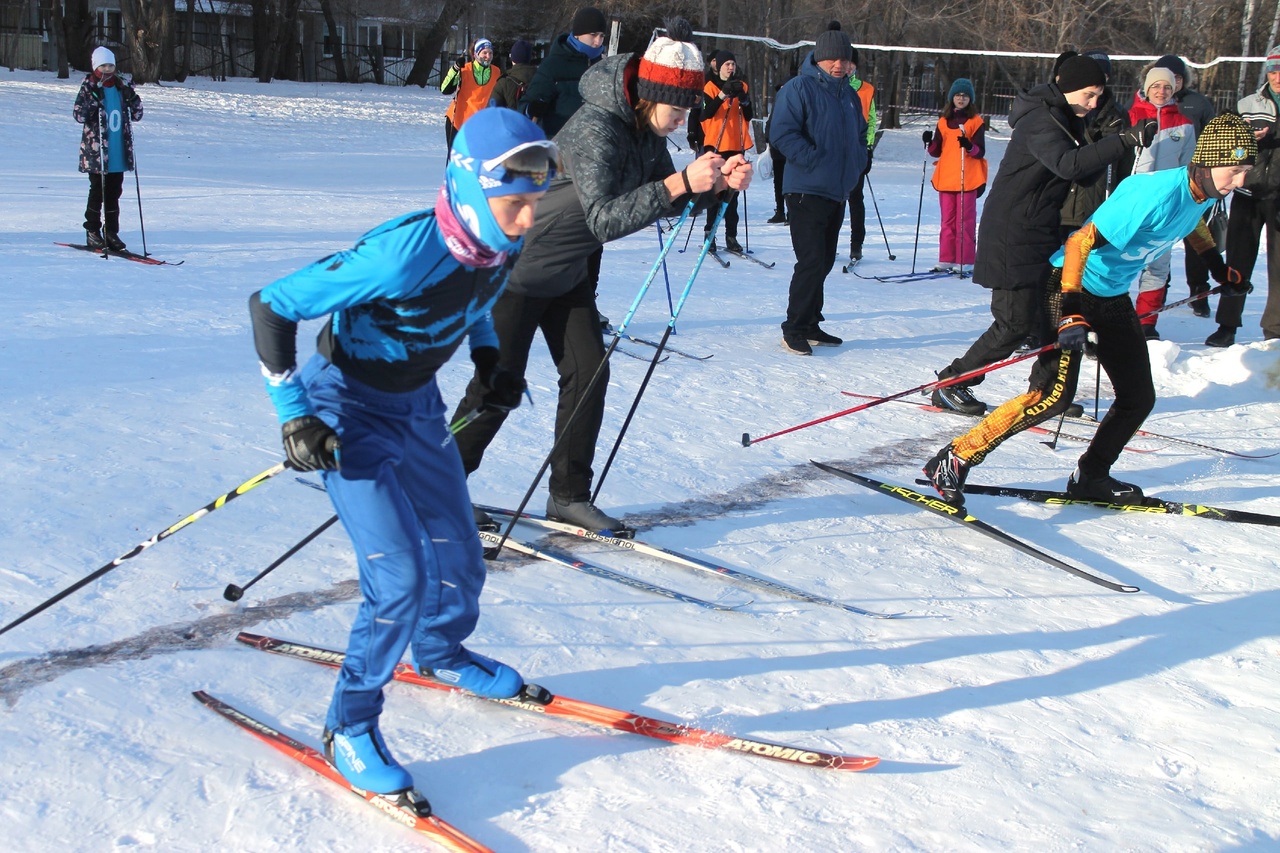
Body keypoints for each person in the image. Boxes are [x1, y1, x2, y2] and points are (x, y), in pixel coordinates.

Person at [248, 109, 556, 801]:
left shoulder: (492, 239)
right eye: (516, 204)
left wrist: (488, 358)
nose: (528, 220)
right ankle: (349, 725)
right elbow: (271, 306)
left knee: (462, 552)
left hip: (417, 405)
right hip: (347, 409)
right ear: (474, 191)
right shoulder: (402, 252)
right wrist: (295, 414)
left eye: (534, 203)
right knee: (399, 580)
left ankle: (442, 653)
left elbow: (476, 296)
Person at [452, 17, 751, 533]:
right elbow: (606, 218)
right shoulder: (596, 129)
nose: (682, 121)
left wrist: (717, 183)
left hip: (566, 271)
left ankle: (568, 495)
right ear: (648, 96)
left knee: (589, 373)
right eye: (676, 108)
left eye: (686, 110)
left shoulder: (644, 133)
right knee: (497, 388)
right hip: (517, 268)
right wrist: (681, 183)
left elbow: (659, 195)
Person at [924, 113, 1255, 507]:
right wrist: (1070, 310)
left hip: (1111, 295)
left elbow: (1192, 225)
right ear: (1205, 161)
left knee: (1138, 397)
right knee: (1052, 395)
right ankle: (955, 457)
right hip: (1068, 285)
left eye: (1245, 172)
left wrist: (1218, 268)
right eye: (1233, 171)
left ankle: (1091, 476)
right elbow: (1081, 242)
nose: (1240, 182)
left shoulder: (1200, 195)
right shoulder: (1151, 193)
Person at [927, 55, 1153, 415]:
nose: (1094, 103)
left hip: (1040, 228)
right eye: (1090, 95)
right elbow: (1069, 164)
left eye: (1099, 96)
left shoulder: (1066, 116)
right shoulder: (1041, 118)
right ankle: (953, 383)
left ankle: (1048, 391)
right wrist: (1123, 140)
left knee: (1054, 314)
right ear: (1069, 89)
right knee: (1014, 323)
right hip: (1012, 231)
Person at [769, 26, 867, 356]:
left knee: (824, 261)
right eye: (832, 59)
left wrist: (858, 162)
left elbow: (860, 134)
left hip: (836, 190)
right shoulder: (800, 88)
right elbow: (781, 133)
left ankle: (810, 323)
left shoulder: (850, 96)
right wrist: (812, 158)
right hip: (805, 189)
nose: (839, 65)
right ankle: (794, 326)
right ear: (819, 59)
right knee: (811, 260)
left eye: (844, 59)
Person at [1208, 45, 1280, 347]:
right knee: (1237, 261)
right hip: (1247, 191)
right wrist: (1244, 136)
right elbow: (1232, 145)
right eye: (1274, 71)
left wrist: (1275, 131)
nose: (1277, 77)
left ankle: (1274, 330)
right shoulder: (1249, 102)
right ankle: (1227, 326)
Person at [1128, 65, 1198, 339]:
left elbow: (1188, 166)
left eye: (1167, 87)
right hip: (1131, 204)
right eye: (1156, 86)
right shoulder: (1130, 116)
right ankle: (1109, 319)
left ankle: (1146, 322)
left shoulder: (1184, 124)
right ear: (1146, 88)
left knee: (1158, 264)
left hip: (1165, 206)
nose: (1161, 91)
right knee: (1118, 263)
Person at [1153, 54, 1220, 312]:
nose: (1170, 83)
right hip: (1159, 184)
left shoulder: (1197, 104)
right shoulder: (1147, 104)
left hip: (1193, 181)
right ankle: (1160, 292)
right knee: (1159, 244)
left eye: (1177, 78)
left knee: (1197, 236)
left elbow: (1211, 138)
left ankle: (1199, 290)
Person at [74, 46, 143, 252]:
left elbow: (138, 114)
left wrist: (134, 99)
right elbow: (79, 115)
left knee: (114, 193)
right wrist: (93, 102)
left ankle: (111, 232)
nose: (107, 69)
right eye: (103, 65)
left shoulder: (122, 86)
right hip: (97, 153)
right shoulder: (90, 86)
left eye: (110, 65)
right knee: (97, 192)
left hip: (118, 150)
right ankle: (92, 231)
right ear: (96, 66)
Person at [690, 50, 753, 253]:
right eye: (727, 64)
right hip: (716, 144)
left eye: (733, 64)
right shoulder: (709, 86)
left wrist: (743, 98)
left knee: (733, 195)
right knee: (715, 193)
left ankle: (731, 236)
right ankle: (710, 233)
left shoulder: (742, 85)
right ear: (720, 66)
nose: (730, 68)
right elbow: (705, 114)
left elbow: (749, 114)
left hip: (735, 144)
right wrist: (722, 94)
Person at [922, 78, 986, 273]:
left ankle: (965, 259)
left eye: (965, 96)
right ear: (952, 98)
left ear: (970, 99)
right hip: (947, 177)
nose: (961, 98)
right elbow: (936, 151)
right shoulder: (943, 122)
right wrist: (928, 141)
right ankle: (947, 257)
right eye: (958, 95)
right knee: (947, 220)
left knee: (965, 220)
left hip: (968, 177)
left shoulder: (976, 121)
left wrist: (968, 145)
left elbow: (980, 151)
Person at [519, 7, 608, 139]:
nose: (598, 42)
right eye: (593, 35)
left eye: (601, 36)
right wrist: (531, 109)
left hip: (595, 146)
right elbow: (523, 107)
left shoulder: (604, 67)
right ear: (578, 34)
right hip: (559, 145)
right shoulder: (553, 65)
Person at [441, 38, 501, 151]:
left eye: (490, 53)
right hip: (458, 123)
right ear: (476, 53)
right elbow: (445, 89)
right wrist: (455, 68)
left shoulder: (496, 72)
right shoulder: (465, 70)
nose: (488, 56)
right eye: (484, 53)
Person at [846, 44, 877, 261]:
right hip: (834, 152)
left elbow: (872, 119)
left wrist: (868, 147)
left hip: (857, 151)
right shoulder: (828, 86)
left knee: (856, 199)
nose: (846, 68)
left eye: (850, 64)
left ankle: (856, 243)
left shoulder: (866, 89)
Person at [491, 39, 536, 111]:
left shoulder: (503, 83)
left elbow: (491, 111)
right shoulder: (541, 80)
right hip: (534, 122)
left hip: (510, 121)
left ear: (512, 58)